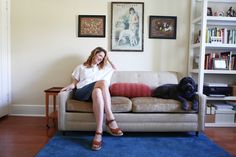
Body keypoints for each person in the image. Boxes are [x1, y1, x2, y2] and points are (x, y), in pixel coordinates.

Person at [60, 47, 123, 151]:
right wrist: (66, 88)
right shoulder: (81, 67)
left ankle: (98, 132)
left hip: (93, 94)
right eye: (99, 55)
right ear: (94, 54)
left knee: (98, 91)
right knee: (103, 82)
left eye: (103, 57)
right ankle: (110, 118)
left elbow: (115, 69)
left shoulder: (102, 69)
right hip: (82, 93)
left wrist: (108, 59)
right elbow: (74, 83)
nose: (101, 59)